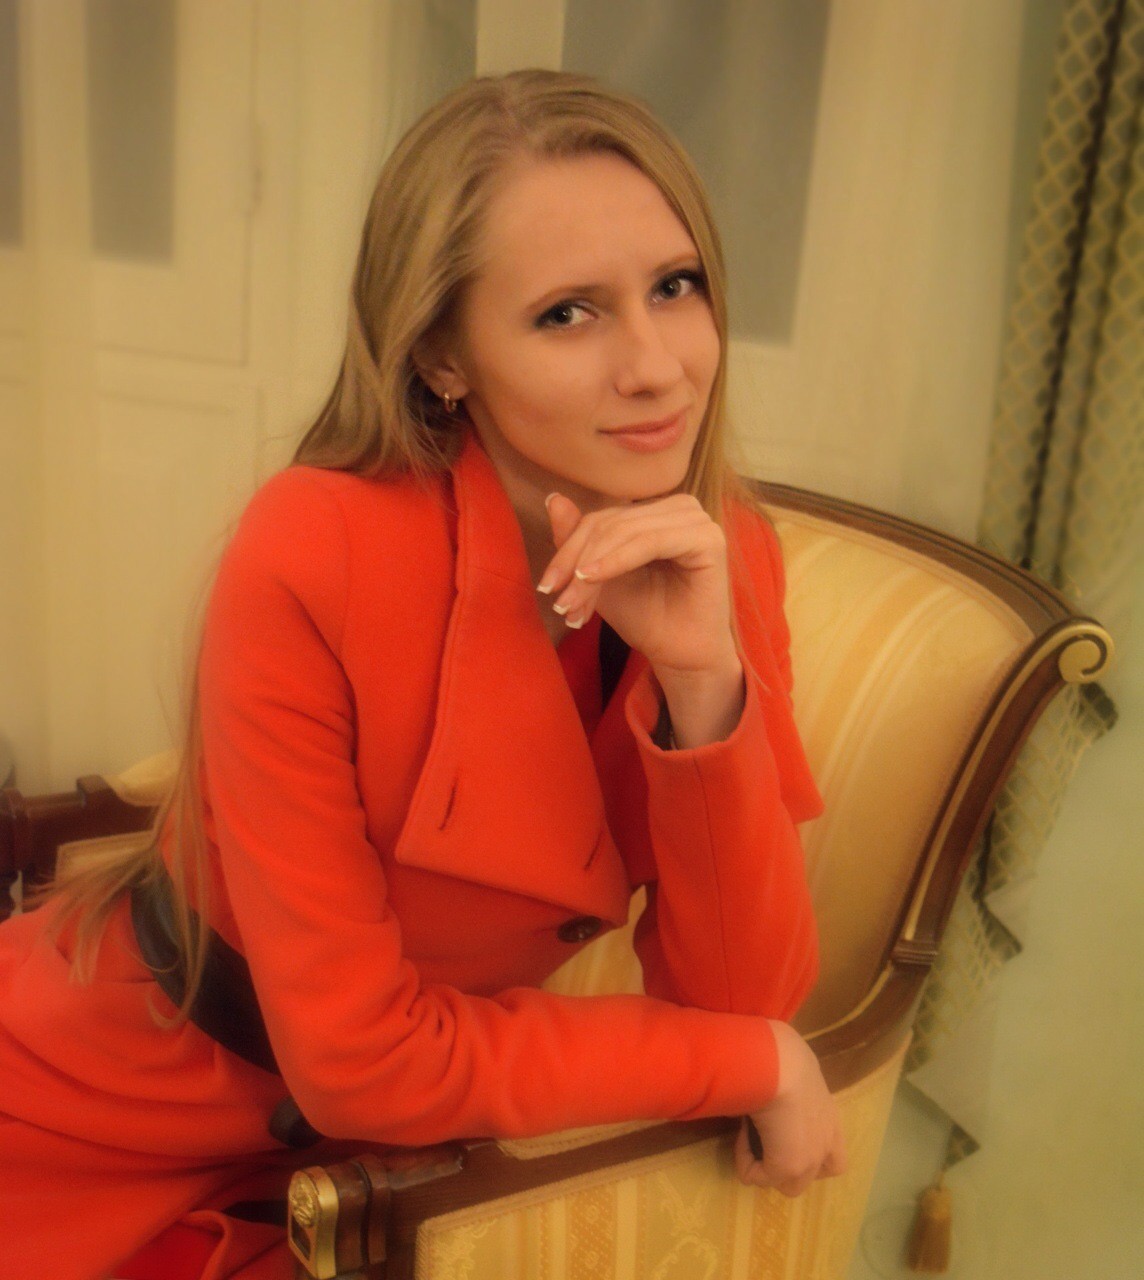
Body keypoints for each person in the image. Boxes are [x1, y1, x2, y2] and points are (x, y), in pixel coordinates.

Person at [0, 70, 845, 1280]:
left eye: (675, 286)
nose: (656, 366)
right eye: (568, 313)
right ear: (444, 355)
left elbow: (744, 991)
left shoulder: (725, 556)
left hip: (371, 1165)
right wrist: (748, 1062)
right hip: (90, 1106)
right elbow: (364, 1059)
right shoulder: (317, 546)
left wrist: (702, 681)